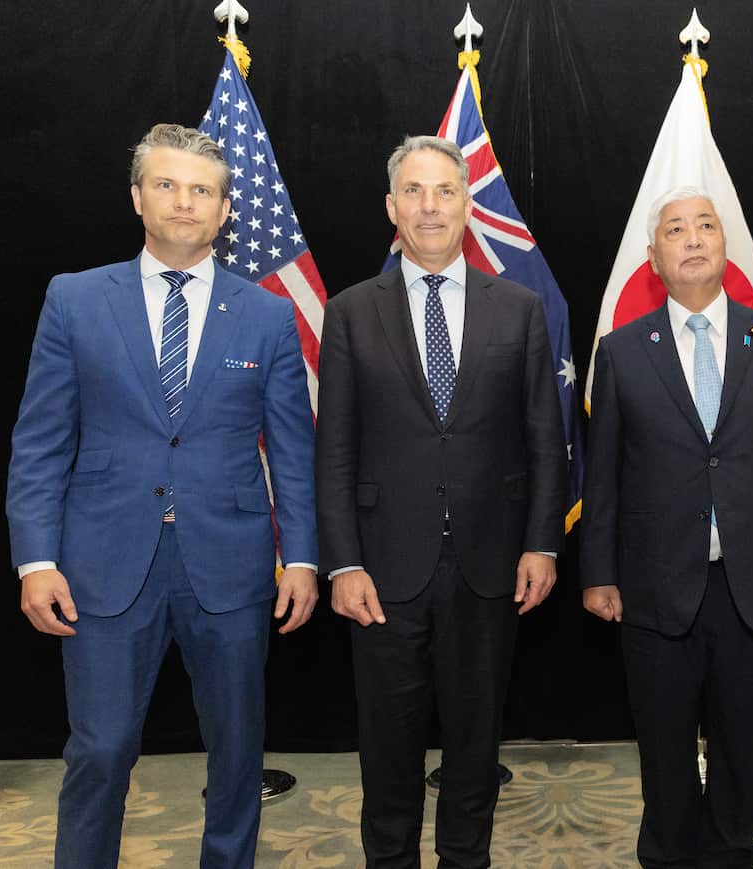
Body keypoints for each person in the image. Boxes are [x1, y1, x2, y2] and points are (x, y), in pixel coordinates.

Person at [6, 123, 319, 868]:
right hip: (103, 563)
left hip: (232, 564)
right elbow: (41, 440)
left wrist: (304, 558)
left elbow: (293, 451)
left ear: (225, 210)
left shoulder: (268, 315)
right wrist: (34, 562)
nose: (184, 201)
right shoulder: (75, 298)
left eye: (202, 190)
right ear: (138, 197)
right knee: (101, 749)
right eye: (167, 185)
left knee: (238, 749)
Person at [315, 135, 566, 867]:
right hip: (382, 569)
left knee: (475, 747)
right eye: (414, 192)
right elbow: (335, 449)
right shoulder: (350, 311)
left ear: (467, 206)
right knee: (387, 749)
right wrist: (343, 563)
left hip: (491, 566)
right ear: (392, 207)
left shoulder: (518, 308)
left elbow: (544, 439)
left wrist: (542, 543)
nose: (430, 206)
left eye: (445, 191)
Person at [581, 187, 753, 868]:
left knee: (745, 746)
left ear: (726, 245)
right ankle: (667, 853)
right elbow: (603, 475)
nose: (692, 238)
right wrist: (598, 573)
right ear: (653, 257)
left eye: (705, 226)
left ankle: (732, 850)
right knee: (663, 748)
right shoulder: (622, 351)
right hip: (654, 584)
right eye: (675, 230)